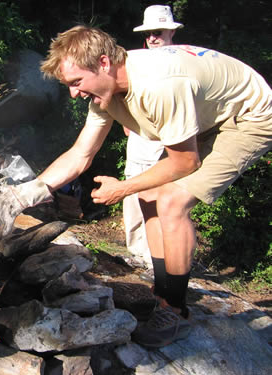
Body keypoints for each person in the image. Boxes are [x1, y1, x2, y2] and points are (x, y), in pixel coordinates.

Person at [0, 25, 271, 348]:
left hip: (249, 117)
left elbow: (186, 162)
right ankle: (161, 294)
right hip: (208, 113)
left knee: (172, 201)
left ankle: (175, 310)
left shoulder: (159, 87)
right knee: (148, 195)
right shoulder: (107, 90)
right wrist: (21, 195)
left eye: (76, 83)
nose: (74, 94)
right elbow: (80, 154)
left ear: (104, 63)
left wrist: (122, 188)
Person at [123, 5, 183, 266]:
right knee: (132, 197)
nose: (152, 38)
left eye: (157, 32)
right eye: (148, 34)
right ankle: (137, 253)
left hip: (169, 143)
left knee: (161, 200)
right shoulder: (136, 62)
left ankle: (157, 258)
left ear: (171, 31)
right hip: (139, 140)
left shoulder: (182, 61)